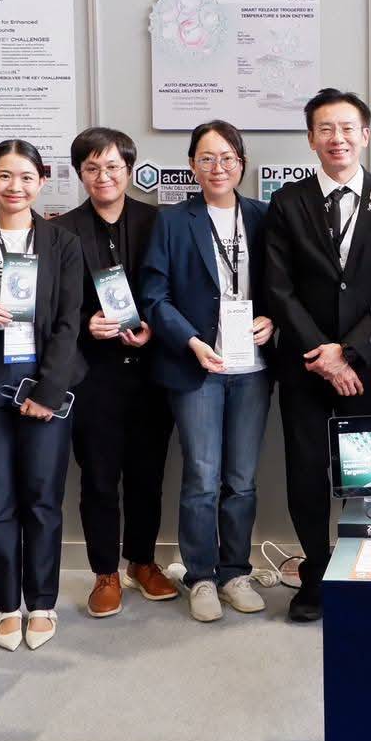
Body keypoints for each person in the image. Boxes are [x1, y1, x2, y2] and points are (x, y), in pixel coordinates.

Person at [264, 89, 371, 623]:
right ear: (311, 139)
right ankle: (316, 573)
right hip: (305, 365)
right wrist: (322, 354)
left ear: (365, 135)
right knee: (306, 470)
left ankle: (365, 571)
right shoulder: (287, 201)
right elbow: (278, 287)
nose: (337, 138)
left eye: (347, 128)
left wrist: (348, 350)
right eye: (325, 129)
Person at [0, 140, 85, 652]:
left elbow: (70, 323)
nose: (15, 187)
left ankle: (42, 602)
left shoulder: (63, 242)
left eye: (26, 177)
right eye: (4, 176)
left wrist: (50, 391)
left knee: (43, 498)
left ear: (41, 182)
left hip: (44, 386)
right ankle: (8, 605)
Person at [139, 120, 274, 623]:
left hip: (253, 368)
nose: (218, 167)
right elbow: (154, 296)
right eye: (207, 158)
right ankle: (200, 575)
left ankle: (235, 571)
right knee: (201, 476)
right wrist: (192, 342)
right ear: (192, 165)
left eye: (227, 158)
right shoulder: (172, 221)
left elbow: (284, 283)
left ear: (242, 163)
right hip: (198, 366)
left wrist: (273, 319)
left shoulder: (264, 216)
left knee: (241, 479)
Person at [56, 128, 177, 621]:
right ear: (79, 173)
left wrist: (154, 329)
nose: (103, 176)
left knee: (148, 475)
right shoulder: (62, 231)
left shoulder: (160, 221)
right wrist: (87, 323)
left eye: (112, 167)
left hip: (152, 370)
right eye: (92, 168)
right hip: (93, 373)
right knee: (99, 478)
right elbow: (53, 303)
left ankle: (142, 562)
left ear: (129, 169)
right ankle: (105, 571)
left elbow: (174, 288)